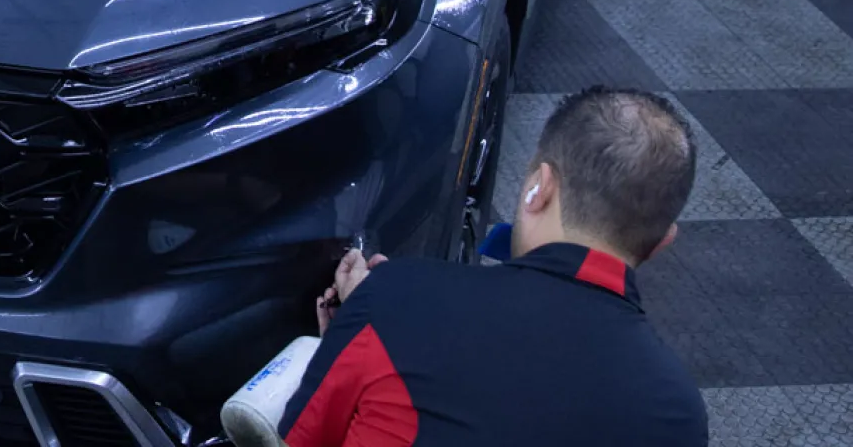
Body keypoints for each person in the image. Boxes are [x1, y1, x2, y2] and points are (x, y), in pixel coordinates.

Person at [279, 87, 707, 446]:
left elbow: (299, 438)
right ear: (662, 241)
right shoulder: (677, 414)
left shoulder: (394, 297)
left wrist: (369, 320)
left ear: (540, 187)